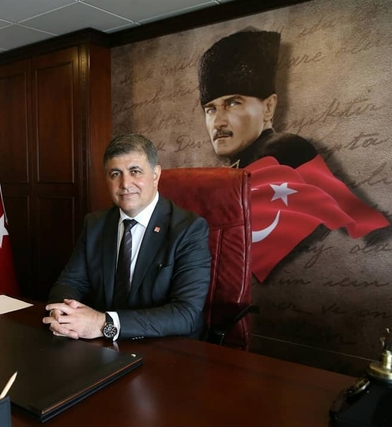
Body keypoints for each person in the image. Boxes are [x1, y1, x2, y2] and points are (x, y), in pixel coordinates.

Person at [43, 134, 211, 341]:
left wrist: (105, 323)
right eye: (115, 174)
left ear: (156, 175)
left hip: (166, 345)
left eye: (135, 171)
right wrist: (62, 312)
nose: (125, 183)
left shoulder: (189, 229)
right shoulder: (95, 224)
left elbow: (186, 313)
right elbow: (70, 282)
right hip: (102, 345)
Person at [198, 29, 317, 169]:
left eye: (233, 103)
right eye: (210, 110)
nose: (218, 123)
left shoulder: (282, 152)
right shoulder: (244, 163)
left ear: (268, 107)